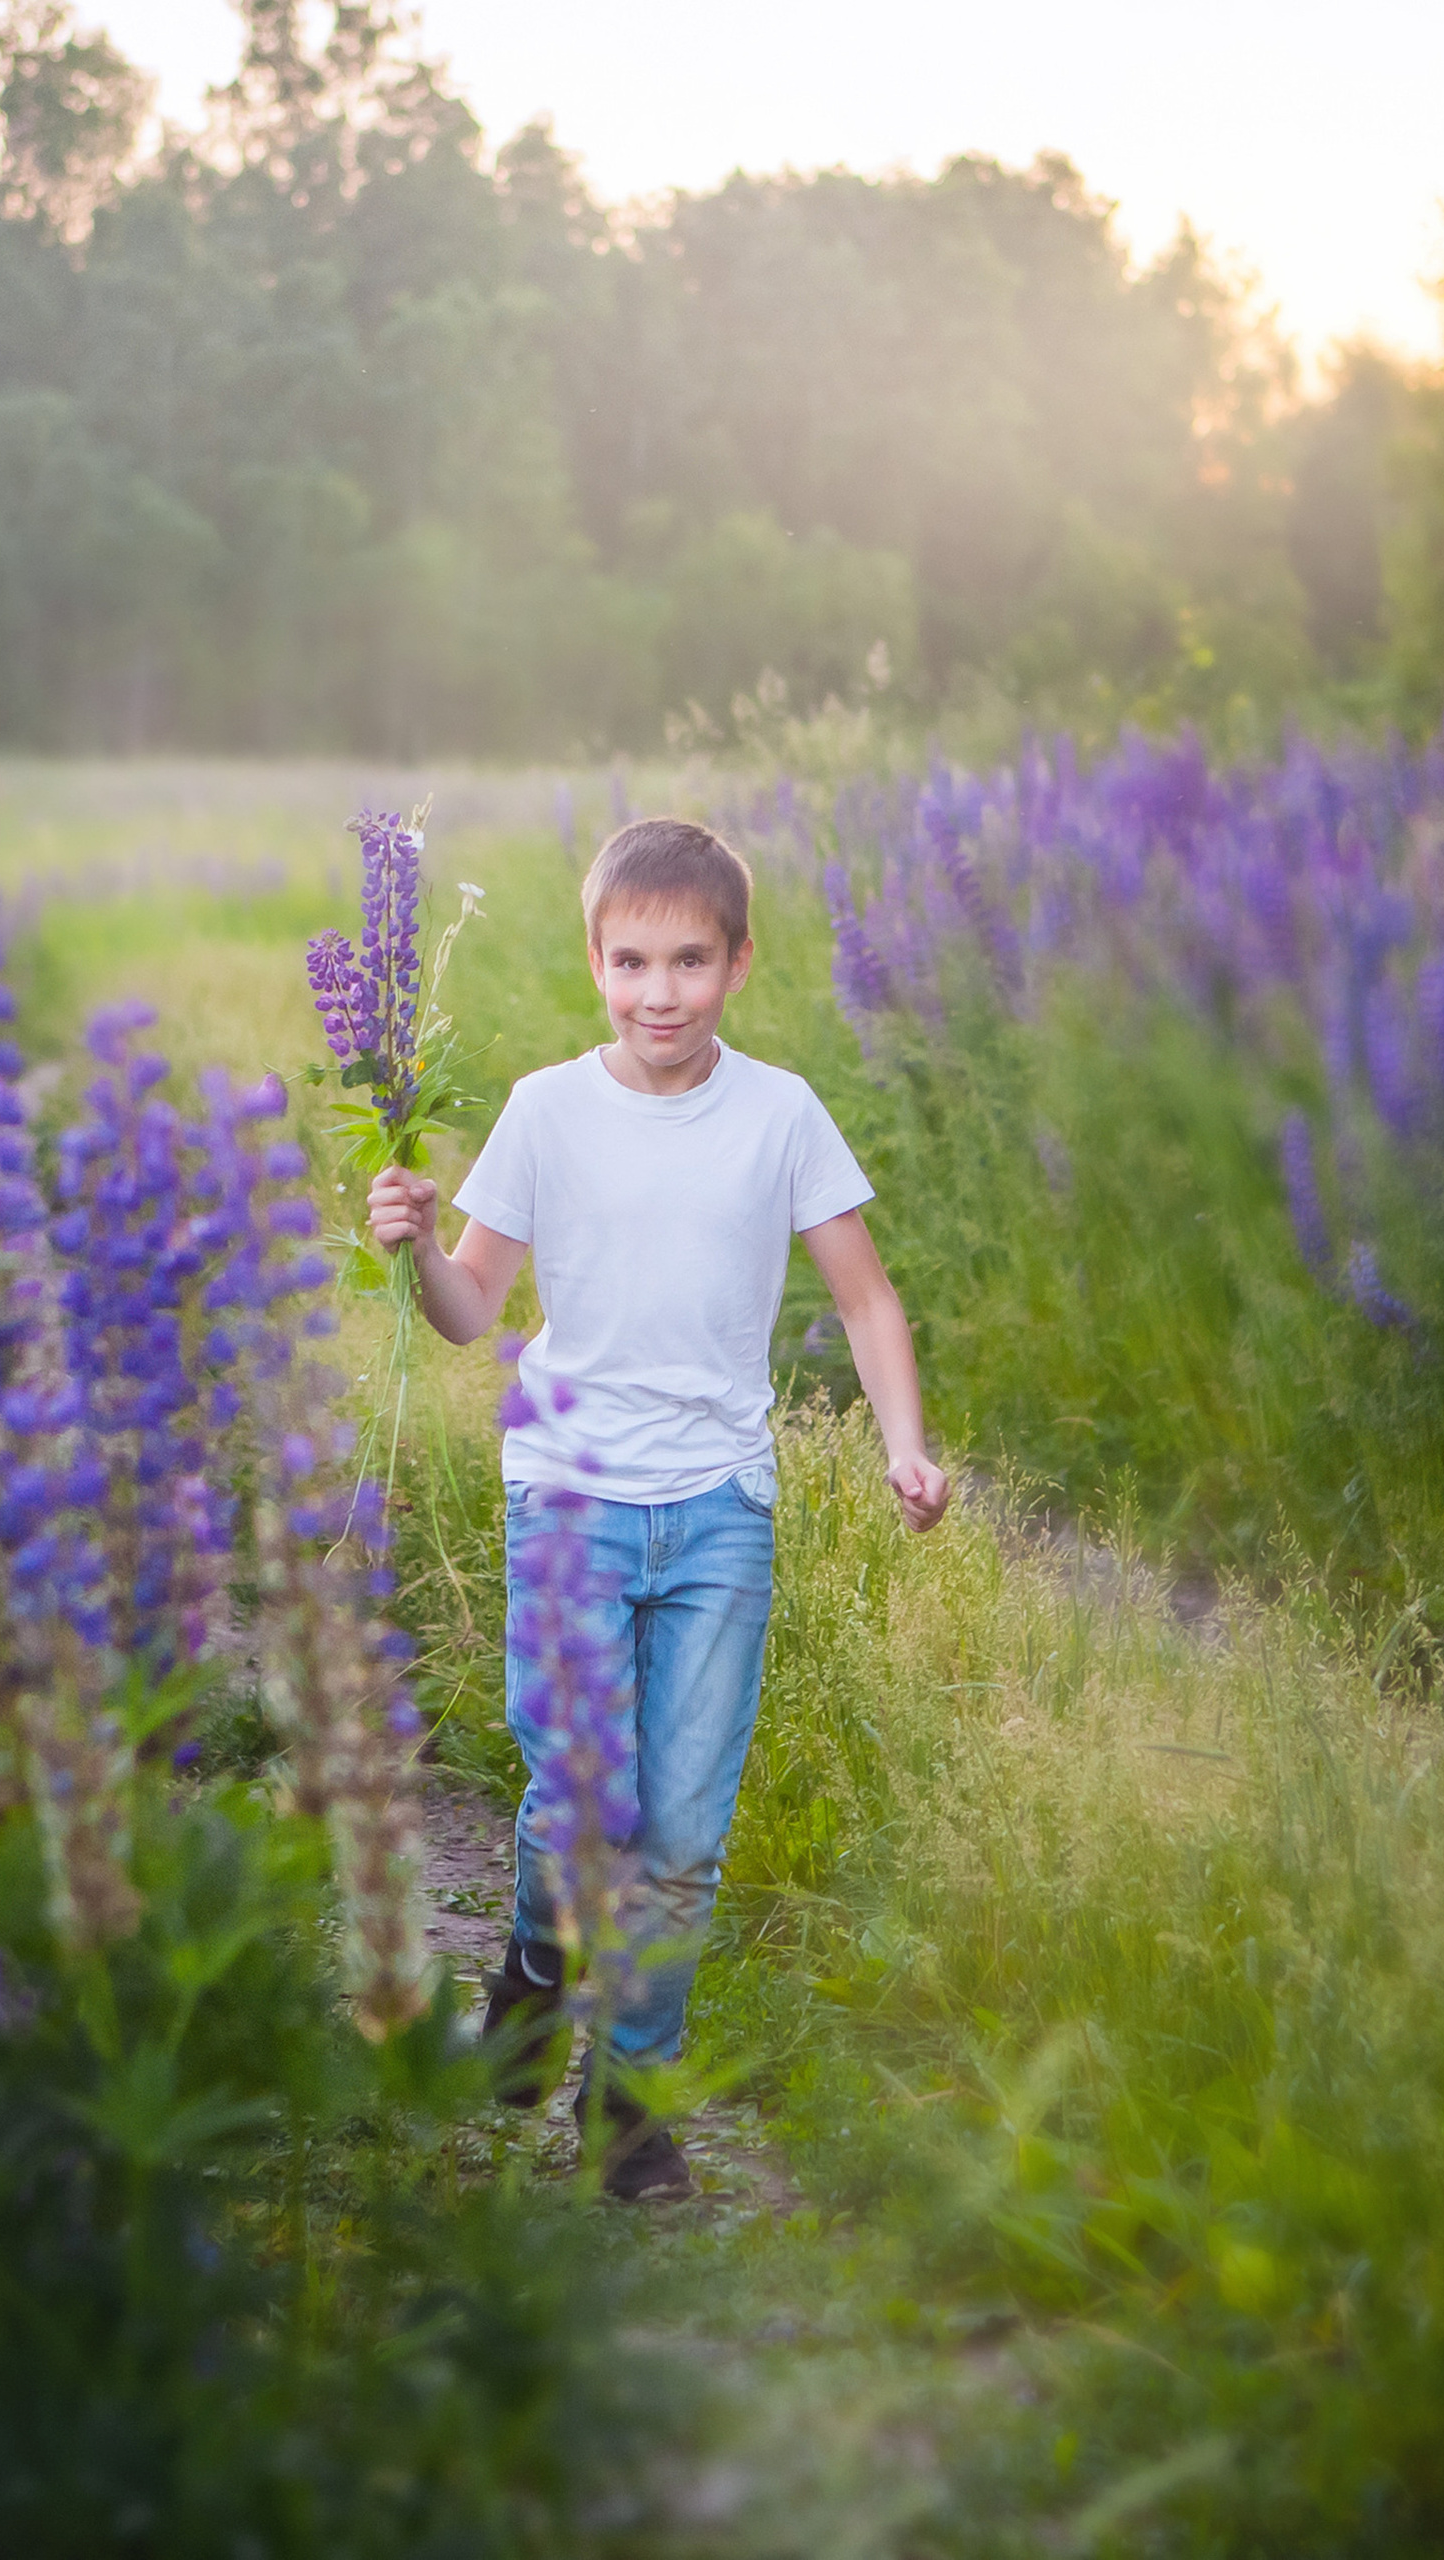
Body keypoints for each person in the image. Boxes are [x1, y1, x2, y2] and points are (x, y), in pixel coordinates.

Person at [366, 815, 950, 2201]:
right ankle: (531, 1967)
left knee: (680, 1831)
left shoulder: (781, 1112)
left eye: (691, 960)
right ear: (593, 960)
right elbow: (469, 1314)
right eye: (633, 962)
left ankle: (625, 2099)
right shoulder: (546, 1109)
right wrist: (409, 1242)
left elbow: (866, 1297)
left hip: (718, 1514)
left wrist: (904, 1448)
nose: (661, 992)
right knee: (584, 1801)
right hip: (568, 1496)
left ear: (739, 964)